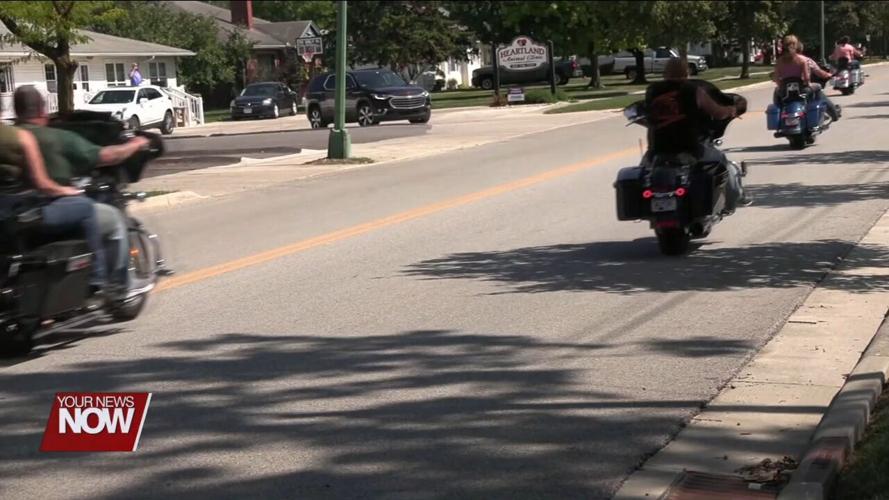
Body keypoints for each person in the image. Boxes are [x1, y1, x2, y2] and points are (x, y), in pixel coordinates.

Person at [13, 85, 150, 300]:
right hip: (46, 208)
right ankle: (118, 285)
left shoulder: (11, 137)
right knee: (113, 220)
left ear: (17, 110)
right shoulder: (54, 137)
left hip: (16, 213)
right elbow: (106, 156)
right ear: (42, 110)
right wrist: (135, 144)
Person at [0, 122, 106, 293]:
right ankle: (97, 280)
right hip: (17, 214)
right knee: (85, 206)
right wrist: (67, 190)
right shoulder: (20, 137)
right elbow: (43, 184)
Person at [644, 58, 749, 212]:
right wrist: (731, 110)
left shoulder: (652, 91)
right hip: (689, 148)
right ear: (687, 72)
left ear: (665, 73)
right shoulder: (693, 90)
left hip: (658, 149)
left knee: (645, 170)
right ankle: (731, 202)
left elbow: (646, 113)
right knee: (721, 162)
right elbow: (717, 112)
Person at [797, 41, 840, 123]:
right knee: (818, 89)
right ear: (801, 49)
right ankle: (834, 113)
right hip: (803, 87)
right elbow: (817, 72)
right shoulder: (805, 60)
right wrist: (828, 75)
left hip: (786, 90)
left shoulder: (782, 60)